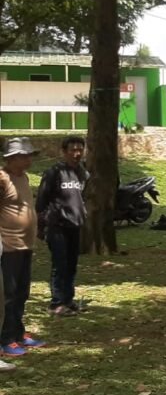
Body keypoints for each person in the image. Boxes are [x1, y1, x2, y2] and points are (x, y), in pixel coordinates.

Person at [1, 138, 45, 360]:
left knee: (22, 293)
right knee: (8, 295)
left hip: (26, 245)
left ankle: (18, 332)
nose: (29, 160)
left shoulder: (24, 177)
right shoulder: (2, 178)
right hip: (8, 247)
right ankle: (6, 339)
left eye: (30, 155)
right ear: (12, 158)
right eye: (25, 156)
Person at [36, 135, 88, 317]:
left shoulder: (82, 173)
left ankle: (68, 300)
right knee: (60, 265)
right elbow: (41, 201)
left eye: (80, 150)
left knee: (71, 265)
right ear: (64, 152)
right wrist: (41, 227)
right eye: (73, 150)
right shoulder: (54, 172)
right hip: (56, 226)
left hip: (75, 225)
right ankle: (56, 304)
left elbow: (81, 198)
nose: (77, 153)